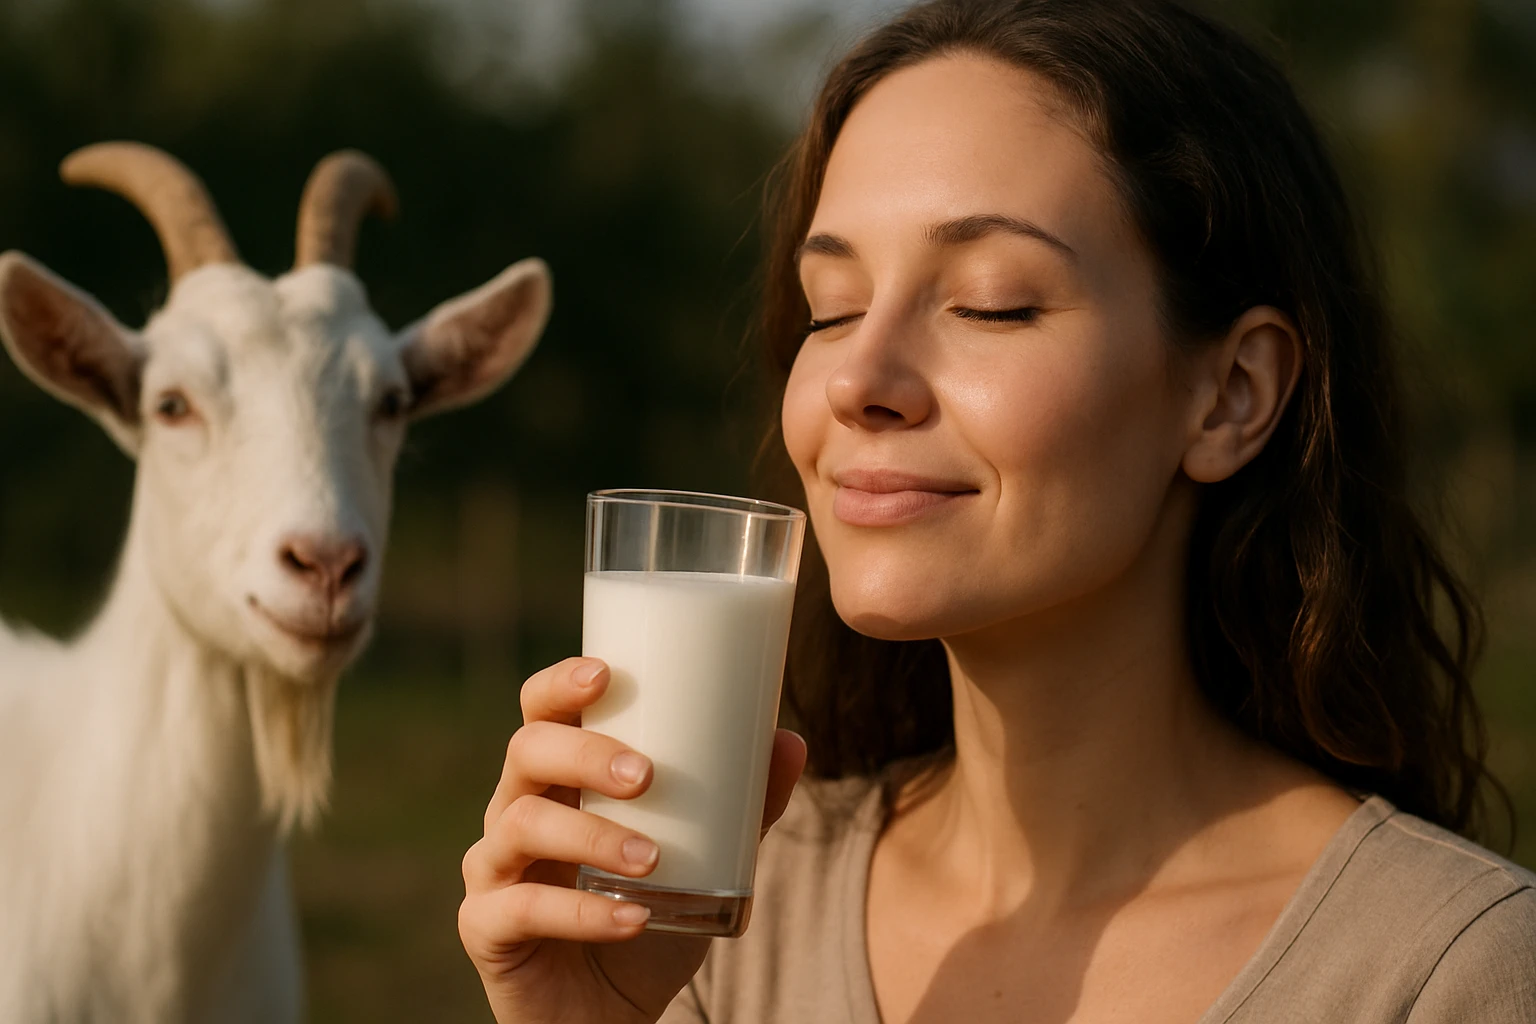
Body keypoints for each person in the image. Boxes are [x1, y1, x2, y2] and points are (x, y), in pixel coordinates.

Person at [457, 1, 1536, 1020]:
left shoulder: (1443, 971)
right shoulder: (704, 921)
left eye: (991, 301)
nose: (857, 376)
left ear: (1232, 393)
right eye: (832, 309)